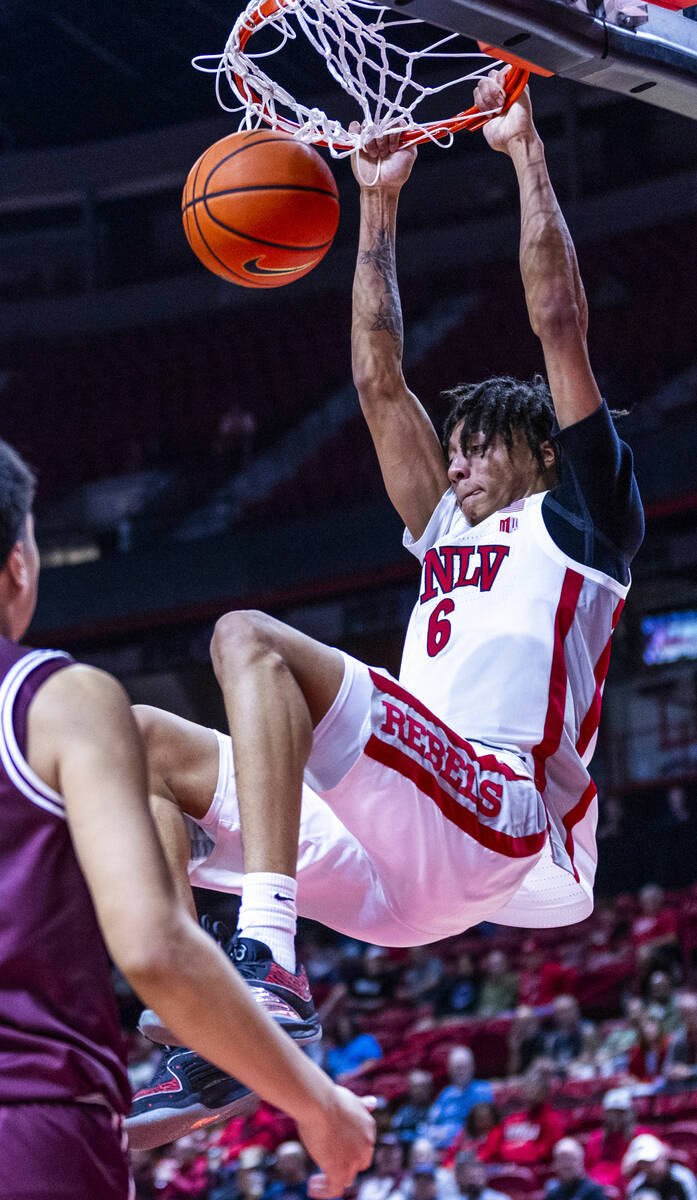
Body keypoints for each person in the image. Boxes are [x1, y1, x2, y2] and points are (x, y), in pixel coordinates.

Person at [137, 71, 643, 1112]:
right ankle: (208, 1020)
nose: (453, 467)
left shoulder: (583, 520)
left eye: (476, 449)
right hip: (388, 847)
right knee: (131, 737)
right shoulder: (448, 530)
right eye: (449, 451)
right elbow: (378, 377)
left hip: (497, 813)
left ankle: (266, 956)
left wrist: (525, 155)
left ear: (539, 450)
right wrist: (376, 199)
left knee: (249, 637)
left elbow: (557, 322)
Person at [0, 438, 375, 1196]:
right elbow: (154, 948)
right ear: (18, 565)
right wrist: (316, 1101)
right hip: (32, 1128)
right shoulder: (57, 700)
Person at [478, 1067, 565, 1166]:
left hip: (535, 1172)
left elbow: (545, 1153)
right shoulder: (513, 1118)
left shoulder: (552, 1120)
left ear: (545, 1091)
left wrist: (510, 1152)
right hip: (506, 1169)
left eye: (536, 1087)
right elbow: (491, 1148)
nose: (531, 1091)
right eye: (528, 1086)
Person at [420, 1046, 494, 1151]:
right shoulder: (446, 1094)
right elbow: (433, 1119)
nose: (460, 1071)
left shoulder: (482, 1090)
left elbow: (483, 1125)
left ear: (472, 1067)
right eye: (457, 1067)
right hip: (442, 1143)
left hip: (469, 1143)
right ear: (450, 1069)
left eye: (464, 1067)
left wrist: (450, 1133)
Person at [584, 1087, 655, 1192]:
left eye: (621, 1112)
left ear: (630, 1112)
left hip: (629, 1188)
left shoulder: (641, 1134)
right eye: (612, 1112)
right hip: (598, 1190)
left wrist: (635, 1159)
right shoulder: (596, 1139)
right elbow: (587, 1169)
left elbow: (662, 1152)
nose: (616, 1116)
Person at [623, 1135, 697, 1200]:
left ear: (662, 1157)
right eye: (643, 1163)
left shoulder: (683, 1178)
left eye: (651, 1162)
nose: (648, 1167)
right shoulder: (635, 1186)